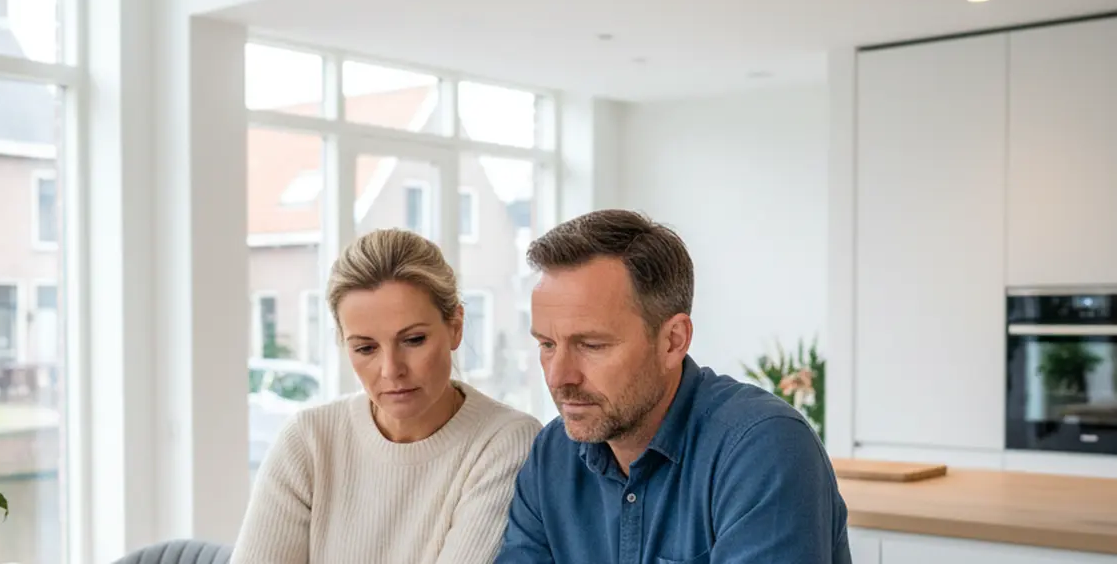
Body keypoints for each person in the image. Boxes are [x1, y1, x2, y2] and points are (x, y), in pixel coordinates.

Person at [495, 209, 851, 563]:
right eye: (547, 344)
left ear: (672, 342)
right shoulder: (552, 454)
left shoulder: (763, 446)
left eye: (591, 345)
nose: (559, 377)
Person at [233, 228, 543, 564]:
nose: (391, 370)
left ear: (455, 325)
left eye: (413, 340)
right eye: (365, 348)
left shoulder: (506, 442)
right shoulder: (309, 439)